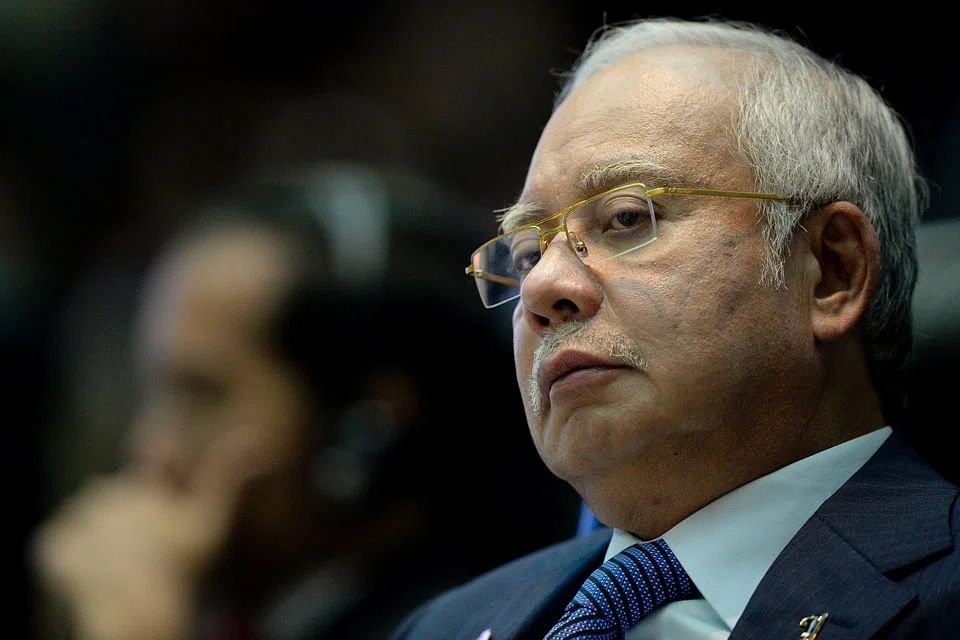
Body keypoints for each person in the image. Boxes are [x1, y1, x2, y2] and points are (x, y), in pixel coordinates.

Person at [389, 16, 960, 640]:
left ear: (829, 270)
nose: (540, 287)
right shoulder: (442, 626)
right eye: (527, 253)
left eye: (626, 218)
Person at [29, 166, 572, 640]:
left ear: (363, 422)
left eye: (202, 395)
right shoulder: (269, 614)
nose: (151, 449)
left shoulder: (479, 624)